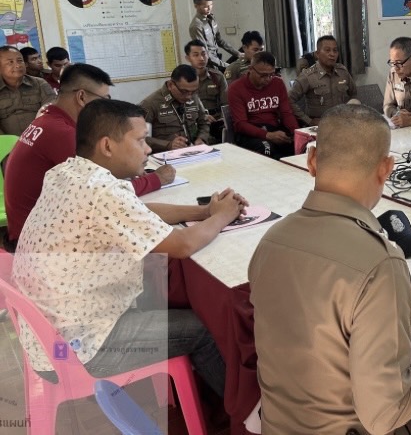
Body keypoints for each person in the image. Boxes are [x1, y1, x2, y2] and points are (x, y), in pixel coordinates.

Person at [248, 104, 411, 433]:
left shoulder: (271, 240)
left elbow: (314, 316)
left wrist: (389, 299)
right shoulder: (380, 263)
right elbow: (385, 414)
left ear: (312, 160)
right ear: (386, 168)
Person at [12, 99, 246, 398]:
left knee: (165, 294)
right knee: (204, 328)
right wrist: (224, 215)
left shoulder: (68, 172)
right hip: (80, 347)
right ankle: (242, 410)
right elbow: (183, 245)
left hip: (50, 334)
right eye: (140, 140)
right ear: (107, 146)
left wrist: (204, 212)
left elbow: (136, 210)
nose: (147, 149)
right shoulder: (100, 191)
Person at [3, 63, 175, 249]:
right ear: (82, 97)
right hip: (39, 244)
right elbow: (106, 191)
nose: (107, 108)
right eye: (104, 100)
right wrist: (156, 179)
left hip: (34, 229)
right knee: (154, 246)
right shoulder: (62, 133)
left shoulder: (47, 120)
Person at [228, 51, 297, 160]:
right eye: (263, 75)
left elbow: (286, 113)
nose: (268, 78)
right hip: (250, 132)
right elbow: (240, 124)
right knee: (267, 149)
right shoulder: (236, 88)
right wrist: (268, 135)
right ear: (250, 69)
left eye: (271, 74)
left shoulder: (277, 83)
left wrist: (296, 133)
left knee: (299, 146)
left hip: (274, 128)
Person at [139, 64, 210, 152]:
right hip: (164, 154)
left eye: (194, 91)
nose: (189, 97)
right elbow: (140, 138)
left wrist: (201, 138)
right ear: (170, 85)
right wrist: (168, 145)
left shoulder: (193, 96)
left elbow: (204, 122)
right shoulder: (150, 104)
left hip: (193, 151)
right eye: (184, 91)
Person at [288, 35, 357, 126]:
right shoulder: (308, 76)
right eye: (327, 50)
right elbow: (289, 100)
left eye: (335, 50)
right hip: (319, 125)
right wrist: (309, 121)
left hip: (342, 122)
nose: (332, 54)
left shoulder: (342, 71)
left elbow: (354, 94)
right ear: (317, 54)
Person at [0, 45, 56, 135]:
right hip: (6, 142)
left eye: (20, 61)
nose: (17, 65)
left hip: (40, 137)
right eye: (10, 62)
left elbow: (52, 110)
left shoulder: (40, 84)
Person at [184, 40, 228, 143]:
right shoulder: (183, 79)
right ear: (188, 58)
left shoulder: (217, 77)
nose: (201, 58)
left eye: (204, 54)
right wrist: (201, 117)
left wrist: (222, 119)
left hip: (216, 121)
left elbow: (226, 104)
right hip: (193, 122)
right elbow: (179, 107)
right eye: (196, 55)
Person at [188, 0, 239, 71]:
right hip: (207, 65)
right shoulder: (196, 26)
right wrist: (227, 66)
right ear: (196, 6)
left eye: (211, 5)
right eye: (205, 6)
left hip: (216, 60)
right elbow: (204, 53)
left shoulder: (211, 18)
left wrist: (238, 54)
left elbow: (220, 41)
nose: (209, 8)